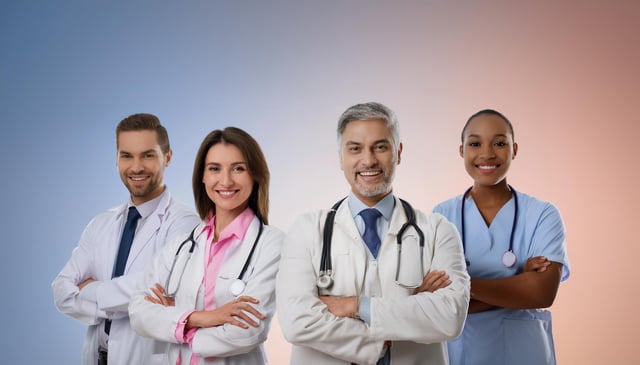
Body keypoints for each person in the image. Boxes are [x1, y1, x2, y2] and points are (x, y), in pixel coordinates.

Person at [276, 102, 470, 365]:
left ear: (398, 152)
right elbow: (297, 322)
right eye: (355, 148)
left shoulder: (438, 231)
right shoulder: (307, 230)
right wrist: (396, 324)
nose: (368, 160)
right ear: (340, 157)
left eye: (380, 146)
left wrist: (355, 306)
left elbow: (449, 317)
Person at [52, 113, 200, 365]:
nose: (136, 167)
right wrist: (128, 301)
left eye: (148, 155)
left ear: (168, 157)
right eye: (126, 156)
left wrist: (89, 290)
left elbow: (160, 288)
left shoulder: (186, 224)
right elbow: (61, 291)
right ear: (117, 159)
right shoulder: (101, 224)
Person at [129, 127, 284, 365]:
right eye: (214, 169)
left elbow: (248, 331)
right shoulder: (182, 244)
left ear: (255, 175)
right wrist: (204, 317)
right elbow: (139, 313)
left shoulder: (273, 244)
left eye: (238, 168)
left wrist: (176, 322)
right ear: (202, 176)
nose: (226, 181)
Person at [432, 109, 571, 365]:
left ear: (514, 149)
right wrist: (518, 281)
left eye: (499, 143)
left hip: (525, 353)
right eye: (475, 143)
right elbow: (437, 304)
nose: (487, 154)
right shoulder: (441, 215)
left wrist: (460, 288)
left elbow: (542, 293)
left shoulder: (542, 214)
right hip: (461, 352)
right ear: (461, 150)